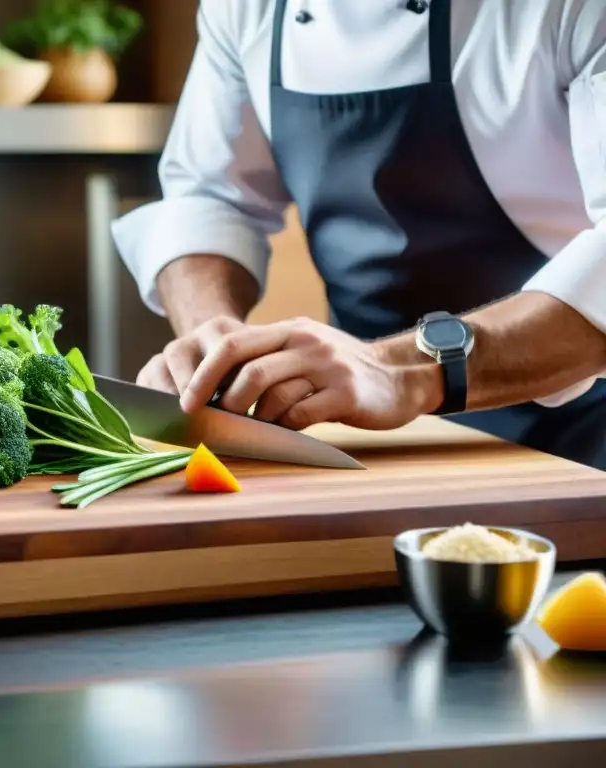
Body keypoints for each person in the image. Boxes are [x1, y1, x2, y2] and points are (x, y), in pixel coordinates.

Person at [112, 0, 606, 470]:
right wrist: (215, 342)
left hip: (582, 432)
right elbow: (209, 197)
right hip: (358, 438)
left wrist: (400, 368)